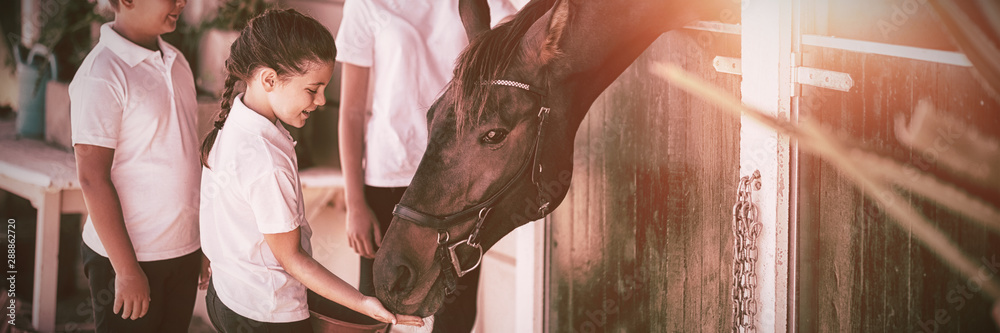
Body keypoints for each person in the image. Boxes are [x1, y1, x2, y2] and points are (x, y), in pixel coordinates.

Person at [199, 9, 423, 333]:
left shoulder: (234, 123)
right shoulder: (265, 160)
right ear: (269, 79)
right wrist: (363, 302)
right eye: (312, 89)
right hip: (268, 315)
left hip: (227, 298)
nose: (320, 101)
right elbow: (293, 260)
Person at [336, 0, 517, 331]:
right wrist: (355, 203)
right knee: (376, 310)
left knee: (456, 313)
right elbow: (350, 111)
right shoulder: (364, 4)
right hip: (387, 177)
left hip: (456, 179)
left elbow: (524, 20)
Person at [70, 0, 208, 331]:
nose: (182, 3)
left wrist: (202, 241)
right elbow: (91, 178)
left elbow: (188, 158)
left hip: (182, 251)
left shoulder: (178, 62)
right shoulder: (102, 73)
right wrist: (127, 269)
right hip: (127, 261)